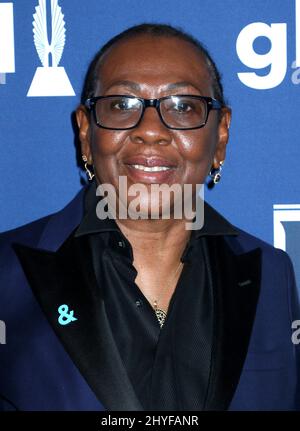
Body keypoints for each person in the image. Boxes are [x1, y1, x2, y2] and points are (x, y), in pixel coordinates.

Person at [0, 23, 299, 411]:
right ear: (86, 130)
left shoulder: (272, 273)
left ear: (220, 135)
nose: (151, 131)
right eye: (123, 105)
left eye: (183, 107)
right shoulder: (7, 272)